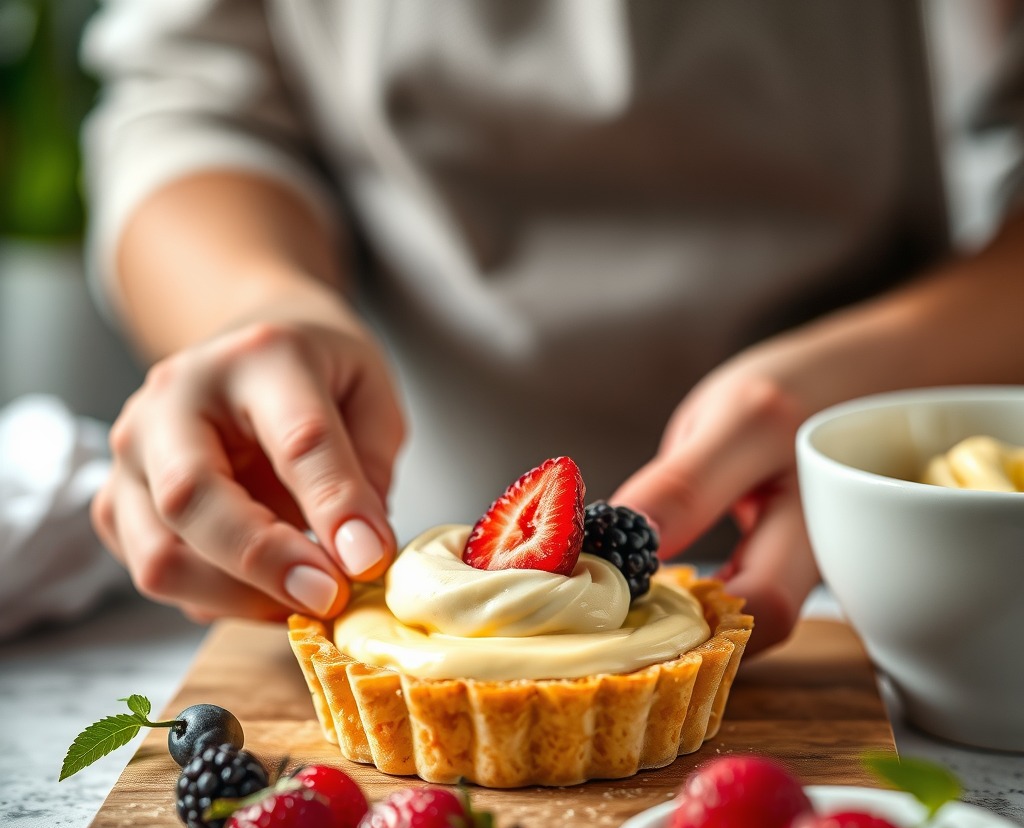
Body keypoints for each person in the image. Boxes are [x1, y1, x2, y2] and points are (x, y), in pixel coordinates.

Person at [80, 1, 1024, 653]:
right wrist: (256, 312)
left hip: (890, 561)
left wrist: (884, 396)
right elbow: (189, 105)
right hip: (395, 534)